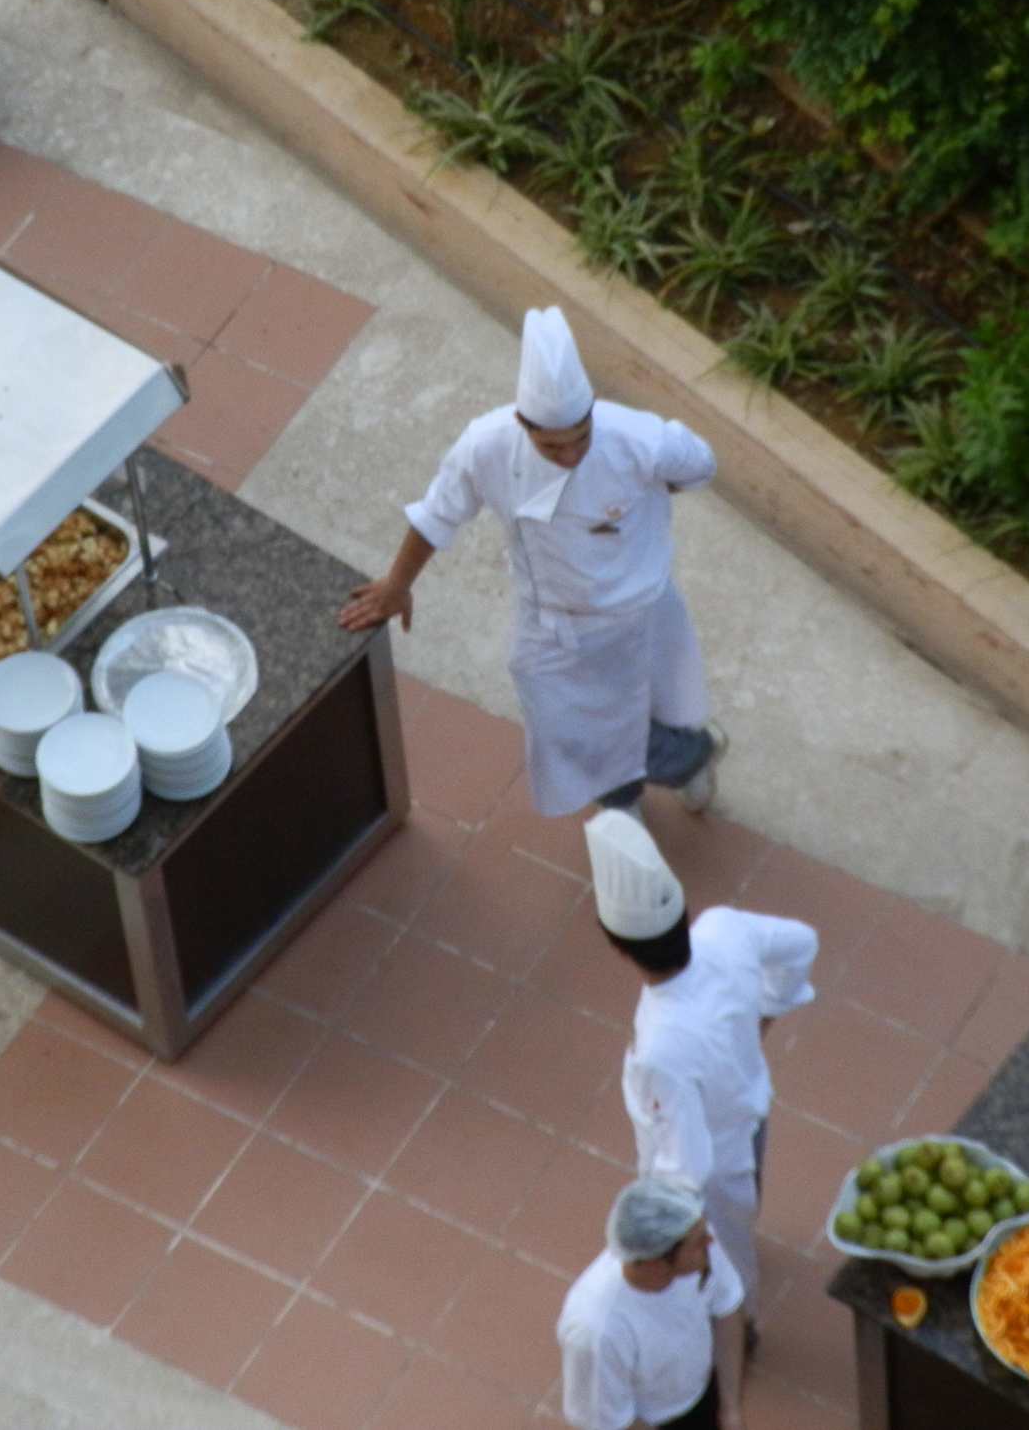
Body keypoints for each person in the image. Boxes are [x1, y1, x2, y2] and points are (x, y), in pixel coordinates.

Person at [336, 305, 726, 817]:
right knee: (566, 723)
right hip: (552, 622)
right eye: (553, 447)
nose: (571, 456)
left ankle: (670, 769)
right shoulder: (486, 446)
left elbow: (700, 465)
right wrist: (396, 585)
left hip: (640, 609)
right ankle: (651, 779)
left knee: (638, 703)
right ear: (523, 423)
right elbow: (437, 514)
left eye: (581, 438)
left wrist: (643, 502)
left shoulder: (639, 439)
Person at [587, 808, 819, 1332]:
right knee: (741, 1221)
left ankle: (742, 1331)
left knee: (725, 1263)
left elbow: (685, 1165)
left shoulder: (660, 1047)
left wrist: (659, 1229)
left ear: (618, 947)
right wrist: (767, 1012)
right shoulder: (723, 929)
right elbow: (802, 942)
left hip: (716, 1170)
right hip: (751, 1119)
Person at [557, 1176, 747, 1430]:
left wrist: (730, 1411)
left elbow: (727, 1306)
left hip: (700, 1394)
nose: (710, 1241)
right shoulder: (597, 1331)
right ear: (655, 1263)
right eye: (698, 1242)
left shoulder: (695, 1239)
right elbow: (607, 1421)